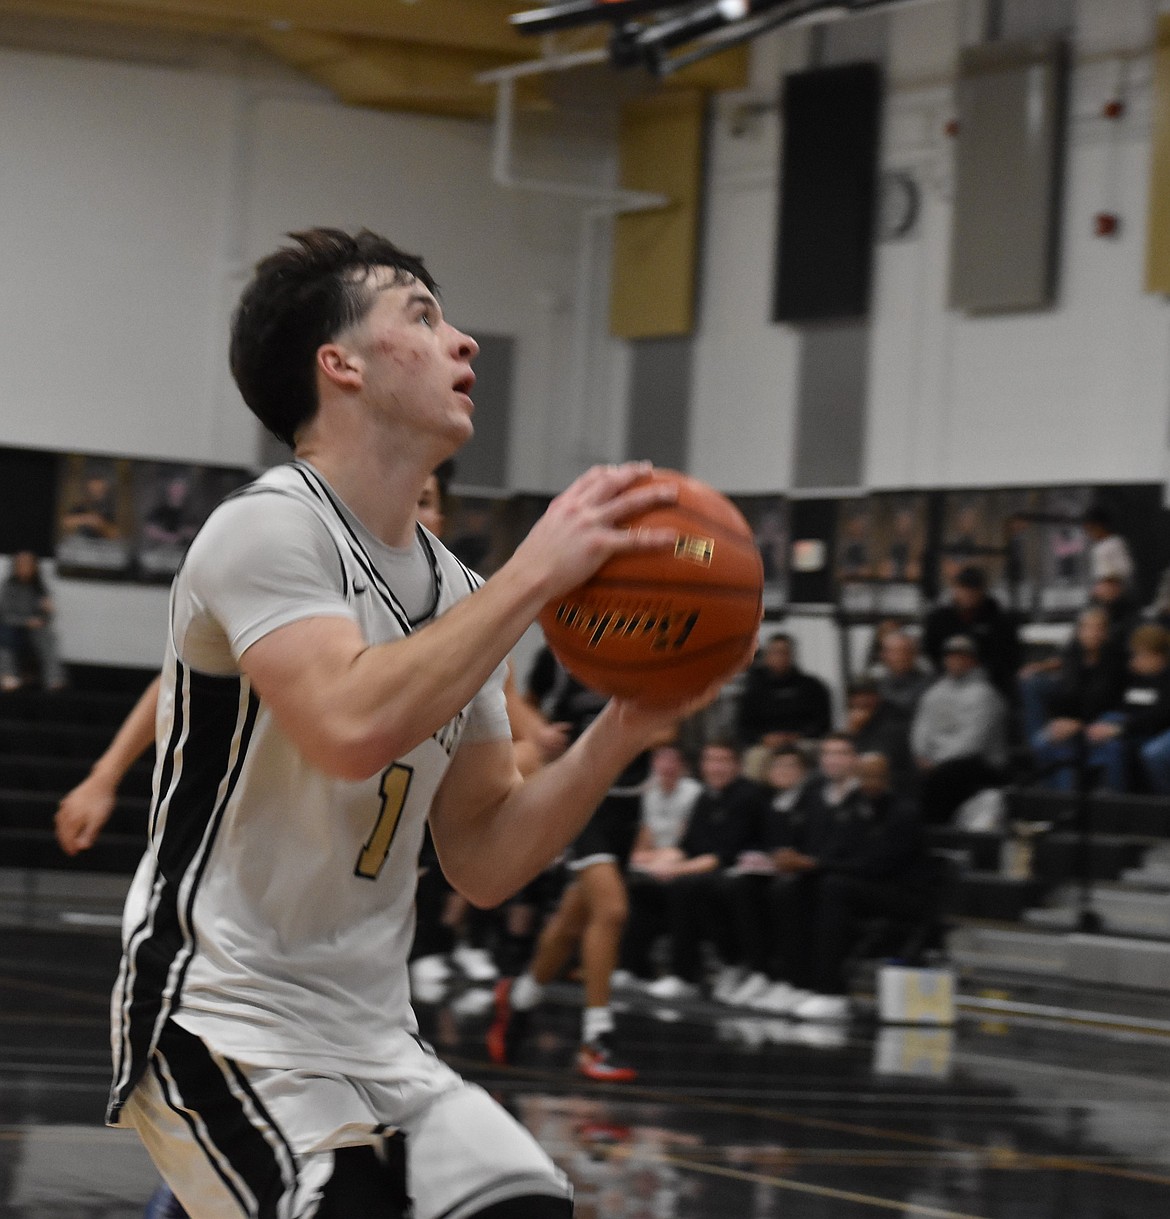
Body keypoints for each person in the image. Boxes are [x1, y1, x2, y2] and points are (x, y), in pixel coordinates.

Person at [106, 227, 726, 1219]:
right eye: (424, 316)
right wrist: (535, 576)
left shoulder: (460, 591)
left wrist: (622, 730)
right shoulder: (268, 525)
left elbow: (482, 855)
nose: (465, 343)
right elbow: (349, 724)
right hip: (219, 1018)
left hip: (375, 1035)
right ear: (338, 364)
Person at [487, 648, 660, 1082]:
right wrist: (540, 732)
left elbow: (671, 723)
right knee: (612, 910)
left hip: (628, 803)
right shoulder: (563, 652)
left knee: (570, 922)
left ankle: (520, 997)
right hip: (583, 795)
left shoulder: (657, 647)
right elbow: (519, 700)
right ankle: (596, 1039)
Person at [619, 741, 768, 1001]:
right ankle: (633, 967)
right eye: (710, 760)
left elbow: (723, 855)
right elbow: (687, 846)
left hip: (740, 876)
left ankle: (697, 972)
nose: (715, 767)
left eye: (722, 760)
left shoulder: (749, 796)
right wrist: (658, 863)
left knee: (684, 886)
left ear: (737, 764)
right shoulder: (706, 797)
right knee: (642, 886)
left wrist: (677, 869)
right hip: (705, 873)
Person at [911, 635, 1007, 824]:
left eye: (962, 656)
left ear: (973, 659)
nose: (955, 660)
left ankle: (936, 832)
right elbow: (920, 730)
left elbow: (972, 743)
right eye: (951, 655)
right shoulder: (934, 693)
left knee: (944, 779)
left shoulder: (985, 695)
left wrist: (937, 762)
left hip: (981, 766)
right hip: (938, 765)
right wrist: (922, 755)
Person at [922, 565, 1019, 699]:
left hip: (987, 682)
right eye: (963, 588)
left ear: (982, 590)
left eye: (973, 589)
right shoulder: (939, 618)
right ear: (955, 590)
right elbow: (930, 650)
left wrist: (978, 669)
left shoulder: (998, 619)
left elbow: (1008, 657)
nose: (968, 594)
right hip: (944, 678)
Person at [735, 633, 832, 753]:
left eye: (784, 652)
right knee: (755, 756)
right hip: (765, 745)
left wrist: (798, 736)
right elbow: (743, 728)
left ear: (793, 655)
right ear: (767, 656)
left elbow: (823, 723)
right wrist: (764, 738)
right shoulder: (753, 690)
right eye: (776, 652)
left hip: (803, 741)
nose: (780, 657)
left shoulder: (812, 687)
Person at [0, 551, 67, 691]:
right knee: (4, 640)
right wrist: (26, 622)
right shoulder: (8, 587)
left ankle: (54, 679)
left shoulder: (39, 588)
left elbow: (46, 618)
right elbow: (5, 616)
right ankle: (8, 676)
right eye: (22, 564)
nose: (25, 568)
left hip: (34, 631)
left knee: (47, 637)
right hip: (12, 629)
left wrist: (47, 611)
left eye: (29, 564)